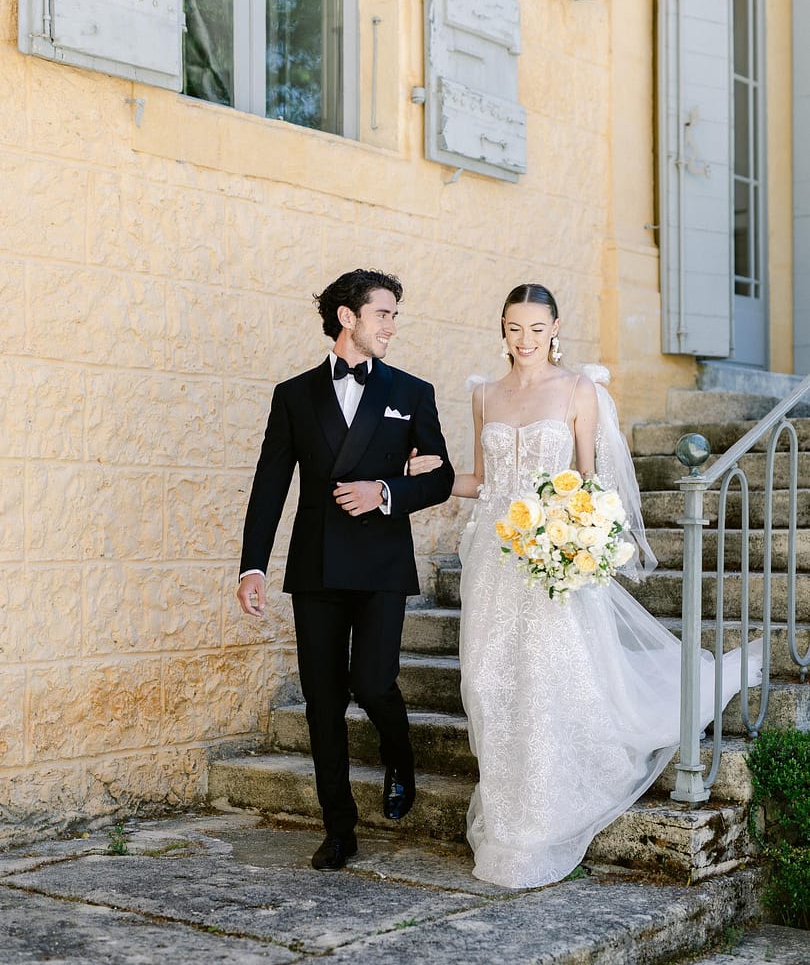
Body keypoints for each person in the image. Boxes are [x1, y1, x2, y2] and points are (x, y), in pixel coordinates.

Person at [409, 283, 760, 889]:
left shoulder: (578, 391)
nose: (525, 340)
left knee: (548, 680)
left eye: (536, 328)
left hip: (551, 561)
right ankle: (508, 807)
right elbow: (485, 481)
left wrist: (577, 539)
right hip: (495, 562)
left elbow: (591, 484)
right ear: (502, 328)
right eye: (514, 328)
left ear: (555, 327)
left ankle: (541, 820)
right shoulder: (484, 395)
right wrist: (432, 475)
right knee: (491, 681)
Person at [237, 269, 454, 872]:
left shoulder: (411, 391)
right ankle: (338, 827)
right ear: (347, 318)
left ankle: (399, 754)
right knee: (322, 699)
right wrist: (252, 565)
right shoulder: (294, 395)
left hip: (383, 562)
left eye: (393, 316)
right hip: (318, 566)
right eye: (382, 314)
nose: (391, 326)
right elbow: (269, 484)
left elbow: (439, 477)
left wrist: (384, 490)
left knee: (375, 682)